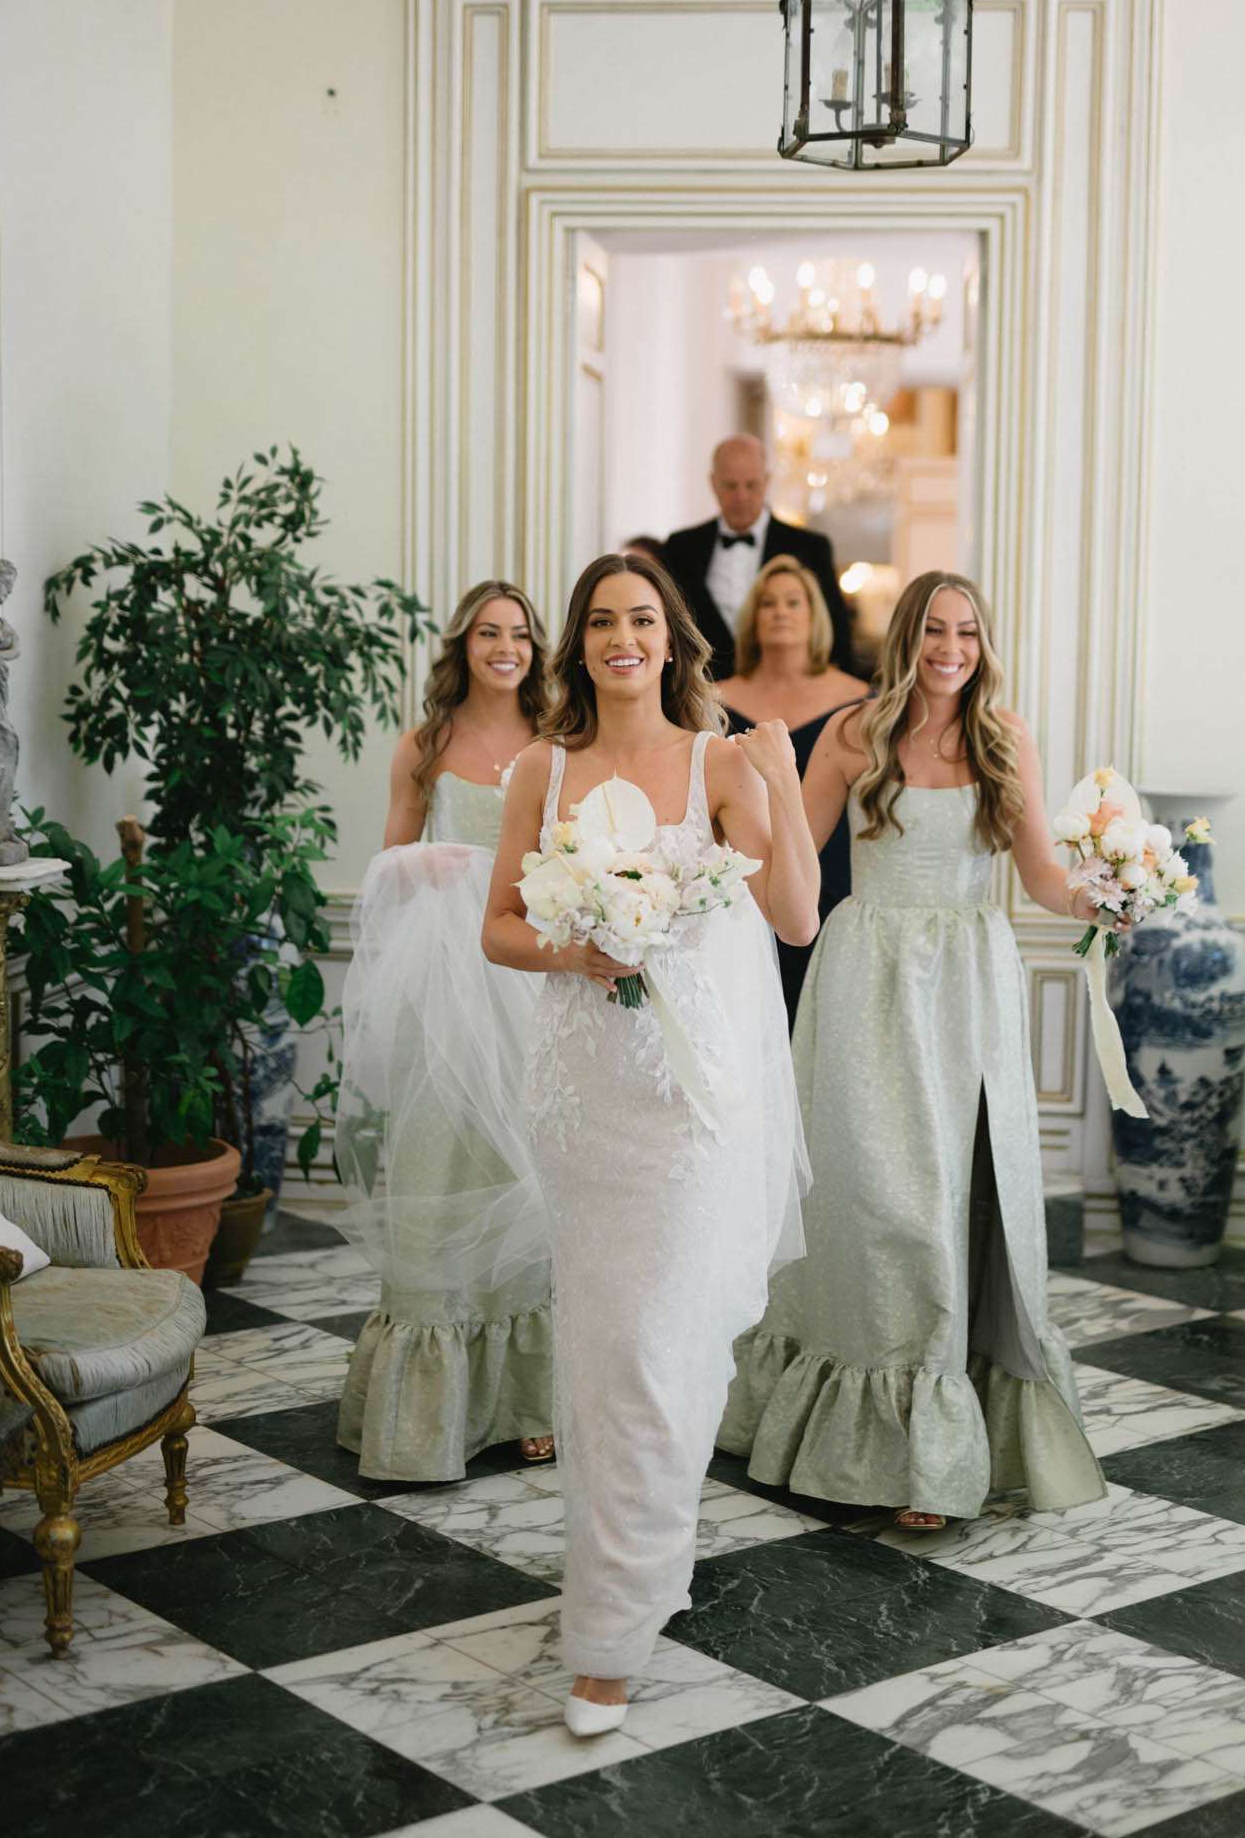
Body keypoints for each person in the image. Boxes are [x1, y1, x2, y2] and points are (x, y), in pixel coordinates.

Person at [483, 551, 818, 1738]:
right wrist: (581, 947)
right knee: (600, 1347)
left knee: (659, 1355)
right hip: (586, 1106)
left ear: (672, 640)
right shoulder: (541, 766)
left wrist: (777, 784)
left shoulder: (721, 760)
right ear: (577, 645)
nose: (623, 637)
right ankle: (624, 1574)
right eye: (602, 621)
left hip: (690, 1107)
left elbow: (794, 916)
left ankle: (612, 1634)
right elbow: (498, 929)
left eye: (643, 619)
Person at [719, 571, 1109, 1531]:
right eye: (935, 629)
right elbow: (791, 866)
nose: (951, 648)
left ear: (982, 642)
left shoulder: (1003, 737)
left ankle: (937, 1433)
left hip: (971, 982)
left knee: (953, 1196)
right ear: (907, 635)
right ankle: (878, 1433)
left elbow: (1043, 876)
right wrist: (732, 823)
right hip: (866, 980)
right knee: (876, 1199)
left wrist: (1104, 900)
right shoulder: (854, 733)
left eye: (967, 632)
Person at [334, 582, 556, 1480]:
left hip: (526, 977)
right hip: (444, 976)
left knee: (527, 1165)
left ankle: (530, 1397)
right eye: (489, 634)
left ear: (537, 650)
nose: (505, 648)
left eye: (520, 635)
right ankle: (426, 1410)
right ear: (463, 645)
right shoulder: (423, 747)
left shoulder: (558, 742)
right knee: (437, 1156)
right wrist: (421, 859)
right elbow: (382, 865)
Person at [719, 555, 868, 1023]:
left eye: (793, 602)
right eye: (768, 603)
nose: (780, 612)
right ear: (753, 619)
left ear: (814, 616)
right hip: (739, 883)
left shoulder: (859, 698)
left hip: (832, 879)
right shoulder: (712, 699)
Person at [663, 435, 854, 681]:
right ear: (713, 483)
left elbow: (836, 633)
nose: (741, 496)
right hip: (699, 691)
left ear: (767, 482)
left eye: (751, 485)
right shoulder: (680, 547)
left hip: (787, 689)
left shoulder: (810, 547)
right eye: (730, 485)